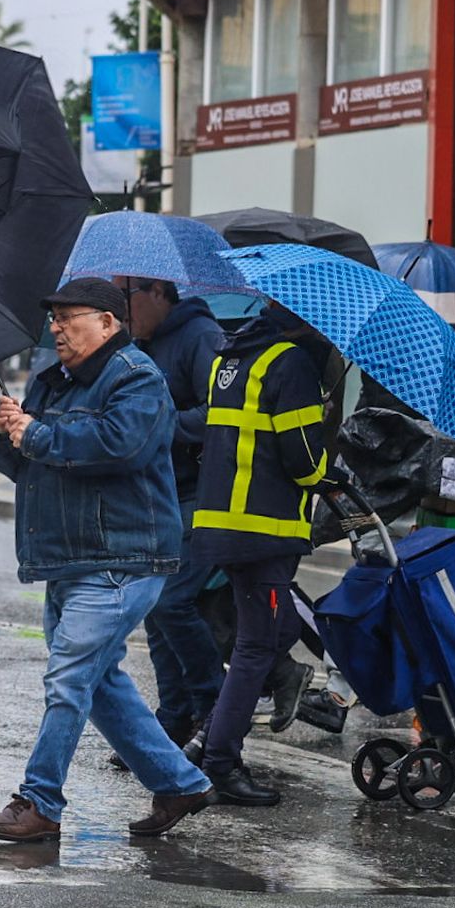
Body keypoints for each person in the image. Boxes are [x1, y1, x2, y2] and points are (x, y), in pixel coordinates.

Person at [0, 277, 213, 843]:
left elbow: (118, 445)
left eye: (68, 317)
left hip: (120, 559)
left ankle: (40, 801)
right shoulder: (51, 381)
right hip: (67, 558)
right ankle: (179, 783)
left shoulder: (137, 377)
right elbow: (27, 465)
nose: (56, 328)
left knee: (68, 679)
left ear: (107, 322)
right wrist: (8, 433)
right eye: (53, 319)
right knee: (98, 682)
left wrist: (36, 434)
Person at [191, 302, 330, 806]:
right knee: (256, 647)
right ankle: (220, 760)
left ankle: (204, 741)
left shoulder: (231, 359)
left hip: (223, 523)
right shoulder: (291, 363)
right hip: (264, 529)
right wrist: (326, 460)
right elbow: (305, 462)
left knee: (273, 631)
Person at [110, 277, 234, 750]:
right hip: (160, 495)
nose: (122, 308)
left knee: (171, 602)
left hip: (200, 493)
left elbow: (222, 410)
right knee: (156, 612)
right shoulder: (141, 343)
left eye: (127, 296)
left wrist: (164, 425)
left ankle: (213, 710)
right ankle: (174, 717)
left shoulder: (200, 336)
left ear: (159, 291)